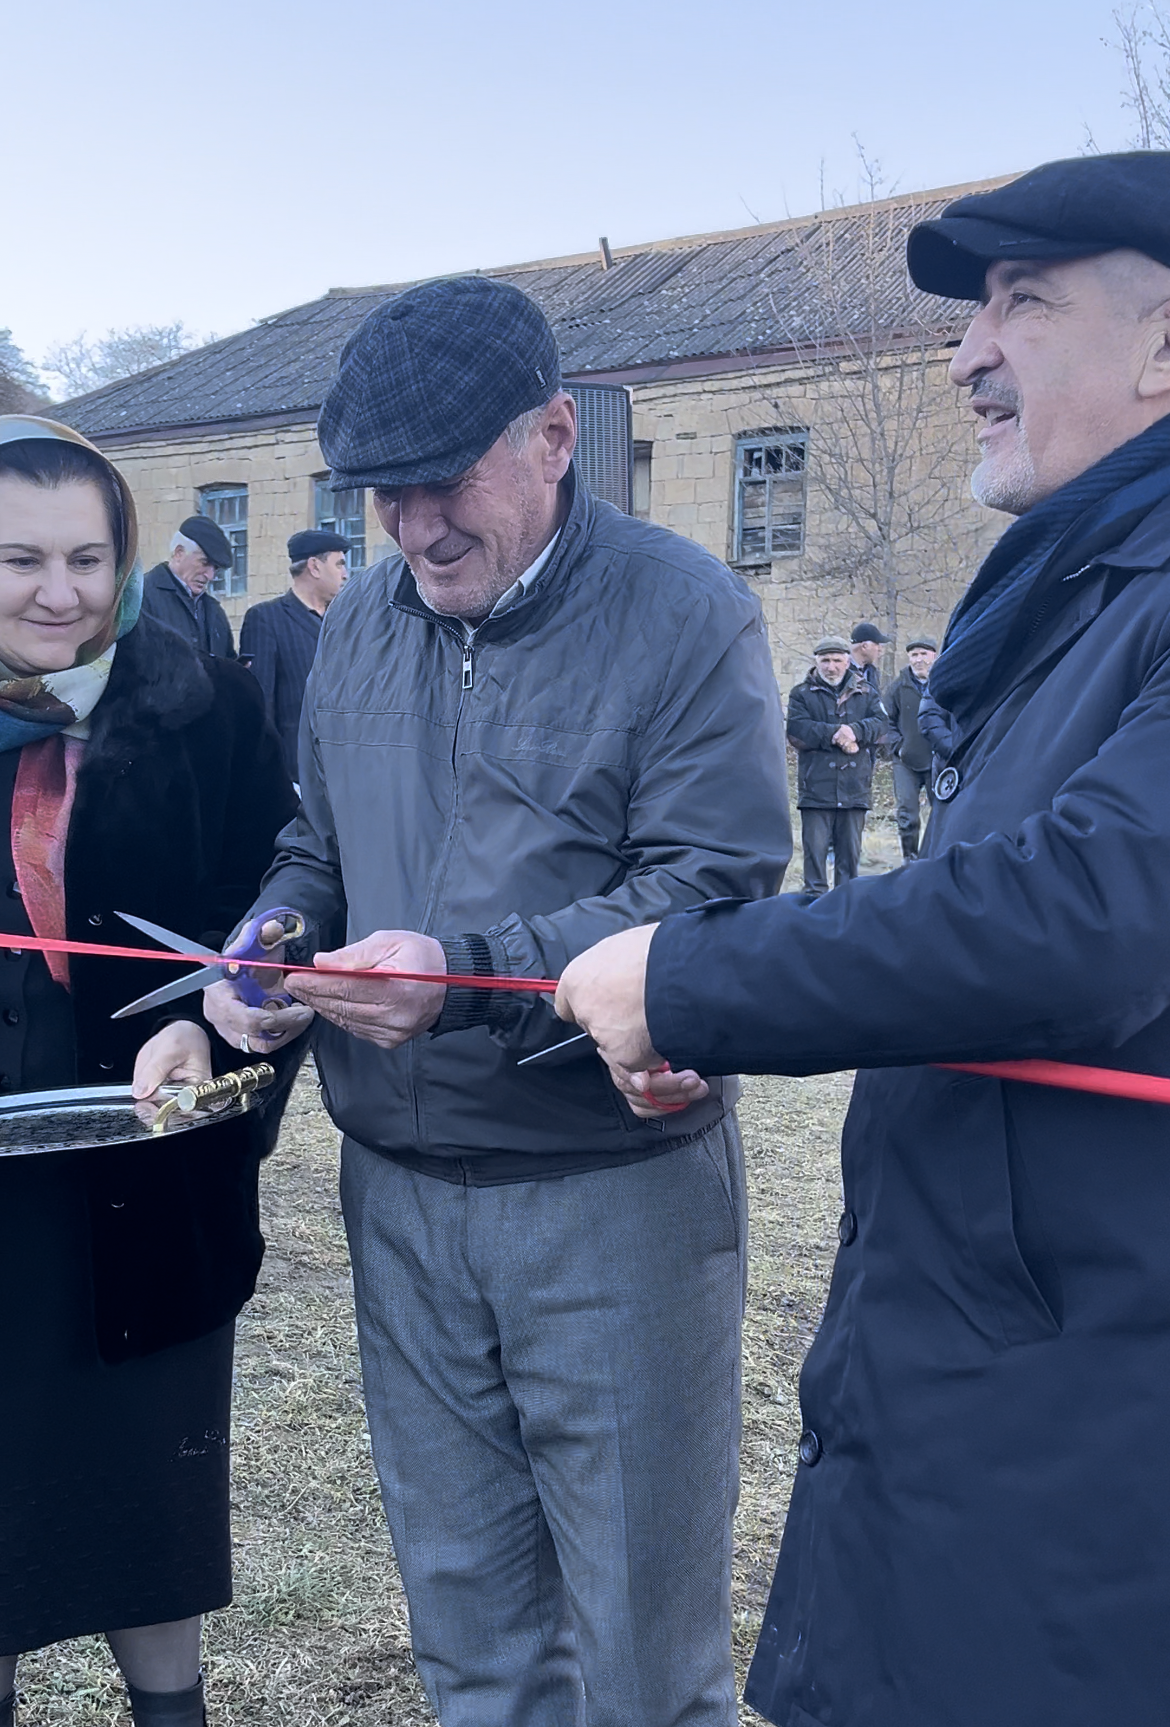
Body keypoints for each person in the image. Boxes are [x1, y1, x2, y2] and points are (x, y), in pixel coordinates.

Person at [553, 152, 1170, 1727]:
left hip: (1091, 1431)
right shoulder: (1087, 592)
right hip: (1000, 1380)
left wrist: (691, 975)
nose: (965, 353)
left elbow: (1084, 911)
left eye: (1022, 303)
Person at [202, 275, 790, 1726]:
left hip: (609, 1194)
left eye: (442, 484)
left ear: (551, 434)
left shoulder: (684, 610)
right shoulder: (366, 620)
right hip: (397, 1196)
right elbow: (315, 846)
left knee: (645, 1661)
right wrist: (269, 938)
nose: (411, 530)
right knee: (468, 1636)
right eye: (379, 496)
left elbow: (710, 890)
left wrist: (462, 978)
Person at [0, 418, 298, 1727]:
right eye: (17, 559)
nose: (58, 592)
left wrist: (241, 1012)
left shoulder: (204, 702)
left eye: (84, 556)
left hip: (149, 1164)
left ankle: (168, 1711)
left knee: (142, 1483)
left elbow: (275, 906)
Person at [239, 529, 349, 781]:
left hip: (346, 775)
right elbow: (259, 707)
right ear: (314, 566)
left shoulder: (342, 622)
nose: (345, 574)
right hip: (295, 775)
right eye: (339, 564)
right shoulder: (266, 619)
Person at [787, 635, 885, 895]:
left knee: (849, 860)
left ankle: (846, 912)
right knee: (814, 858)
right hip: (816, 789)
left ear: (847, 661)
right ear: (816, 662)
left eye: (837, 660)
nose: (831, 666)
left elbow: (883, 726)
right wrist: (836, 734)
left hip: (855, 788)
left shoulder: (867, 692)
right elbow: (797, 731)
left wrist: (855, 731)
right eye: (825, 660)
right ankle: (812, 910)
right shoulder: (801, 694)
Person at [140, 516, 235, 657]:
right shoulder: (141, 597)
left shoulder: (214, 610)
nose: (210, 575)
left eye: (215, 568)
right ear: (179, 553)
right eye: (205, 563)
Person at [882, 635, 938, 859]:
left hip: (938, 760)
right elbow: (885, 720)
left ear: (934, 656)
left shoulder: (943, 683)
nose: (919, 660)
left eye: (924, 654)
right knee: (908, 815)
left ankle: (934, 856)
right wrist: (899, 747)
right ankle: (910, 859)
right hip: (905, 762)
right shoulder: (898, 686)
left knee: (941, 813)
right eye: (914, 655)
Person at [848, 618, 890, 691]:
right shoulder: (842, 670)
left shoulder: (872, 673)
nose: (880, 649)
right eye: (877, 644)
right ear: (864, 646)